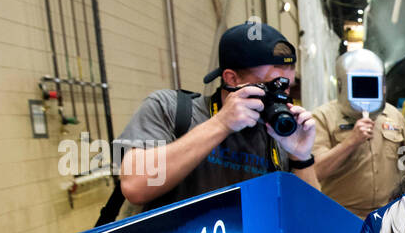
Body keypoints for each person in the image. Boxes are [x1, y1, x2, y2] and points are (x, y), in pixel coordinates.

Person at [111, 21, 318, 218]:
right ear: (232, 79)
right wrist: (221, 124)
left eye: (287, 86)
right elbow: (134, 186)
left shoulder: (278, 131)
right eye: (273, 85)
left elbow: (309, 216)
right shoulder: (171, 109)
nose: (281, 95)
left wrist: (301, 156)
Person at [311, 47, 405, 218]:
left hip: (387, 214)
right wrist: (351, 142)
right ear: (342, 85)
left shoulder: (393, 115)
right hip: (341, 214)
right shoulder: (322, 117)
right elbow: (315, 172)